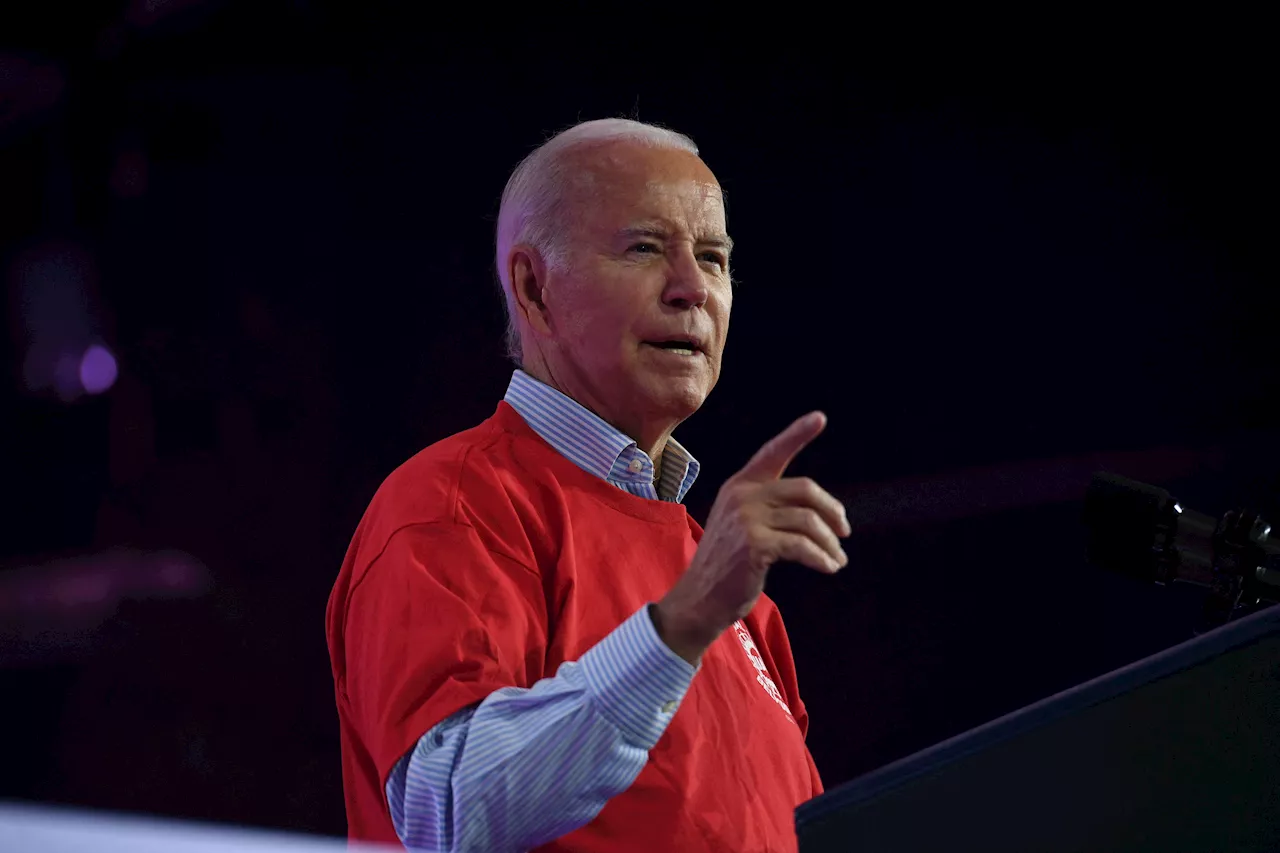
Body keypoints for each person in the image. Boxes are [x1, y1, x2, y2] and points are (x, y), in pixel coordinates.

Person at [325, 118, 851, 853]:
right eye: (645, 248)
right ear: (534, 288)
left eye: (714, 257)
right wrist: (683, 624)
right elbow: (446, 812)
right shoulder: (453, 503)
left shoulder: (737, 595)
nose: (693, 288)